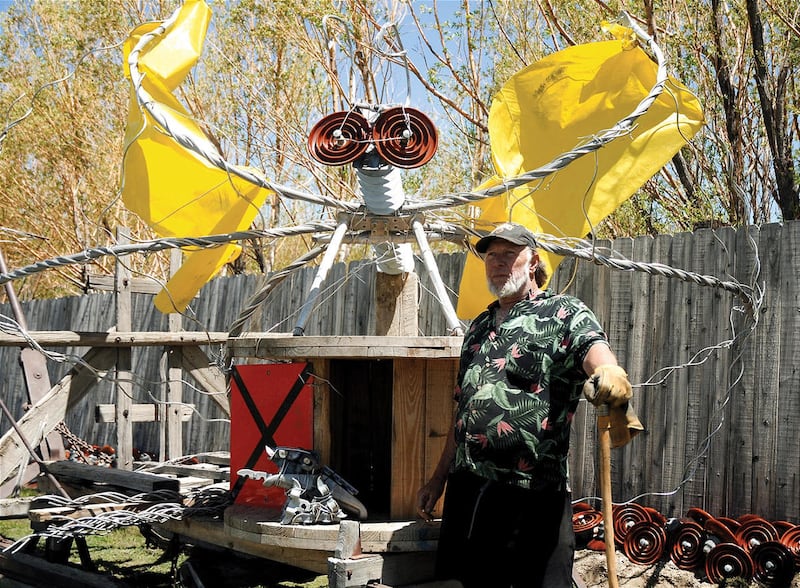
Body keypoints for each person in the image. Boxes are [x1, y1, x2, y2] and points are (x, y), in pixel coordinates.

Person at [417, 222, 642, 588]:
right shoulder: (477, 328)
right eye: (491, 256)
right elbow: (463, 412)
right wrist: (438, 478)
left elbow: (593, 349)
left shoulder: (563, 313)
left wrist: (608, 372)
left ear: (534, 260)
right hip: (469, 490)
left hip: (532, 495)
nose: (498, 263)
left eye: (509, 254)